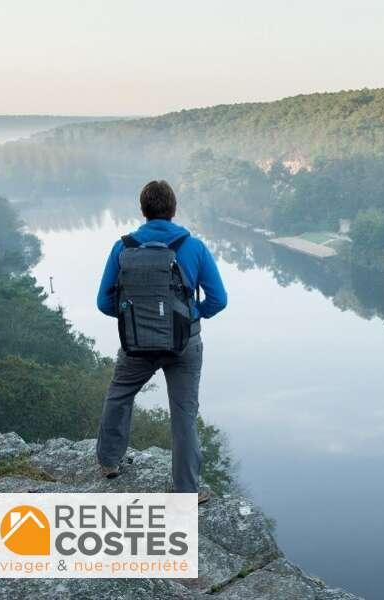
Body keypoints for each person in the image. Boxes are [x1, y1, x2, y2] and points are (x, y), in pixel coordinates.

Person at [95, 180, 227, 503]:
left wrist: (134, 317)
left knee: (119, 395)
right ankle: (187, 490)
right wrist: (190, 316)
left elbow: (103, 301)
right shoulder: (193, 246)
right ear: (173, 209)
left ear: (143, 211)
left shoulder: (122, 247)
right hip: (184, 344)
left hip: (137, 342)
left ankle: (109, 463)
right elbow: (218, 299)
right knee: (183, 414)